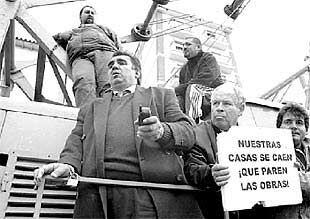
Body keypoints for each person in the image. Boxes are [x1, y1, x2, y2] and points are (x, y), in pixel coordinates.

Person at [34, 51, 203, 219]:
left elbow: (188, 133)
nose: (114, 66)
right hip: (97, 197)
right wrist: (68, 165)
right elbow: (76, 140)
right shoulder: (90, 108)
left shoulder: (161, 95)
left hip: (149, 195)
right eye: (110, 65)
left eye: (121, 63)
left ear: (137, 72)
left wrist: (162, 132)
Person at [183, 83, 246, 219]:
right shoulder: (196, 134)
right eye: (215, 103)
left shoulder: (252, 139)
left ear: (241, 109)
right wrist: (211, 174)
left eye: (227, 104)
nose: (219, 109)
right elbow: (191, 169)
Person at [53, 5, 122, 107]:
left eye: (92, 12)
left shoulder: (104, 29)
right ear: (80, 17)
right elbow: (55, 39)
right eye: (87, 12)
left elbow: (119, 45)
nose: (90, 14)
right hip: (81, 57)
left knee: (107, 84)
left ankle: (110, 114)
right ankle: (86, 117)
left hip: (105, 53)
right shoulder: (72, 32)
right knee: (83, 83)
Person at [270, 102, 310, 219]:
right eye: (288, 122)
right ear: (279, 127)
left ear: (306, 130)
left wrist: (292, 176)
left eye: (299, 122)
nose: (294, 126)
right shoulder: (265, 151)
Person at [174, 37, 224, 121]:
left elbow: (205, 80)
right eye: (183, 45)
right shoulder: (183, 70)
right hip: (193, 95)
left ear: (198, 47)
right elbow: (181, 89)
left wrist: (179, 89)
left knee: (193, 87)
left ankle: (192, 120)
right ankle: (178, 121)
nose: (184, 47)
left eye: (188, 44)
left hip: (214, 92)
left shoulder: (208, 58)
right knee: (176, 97)